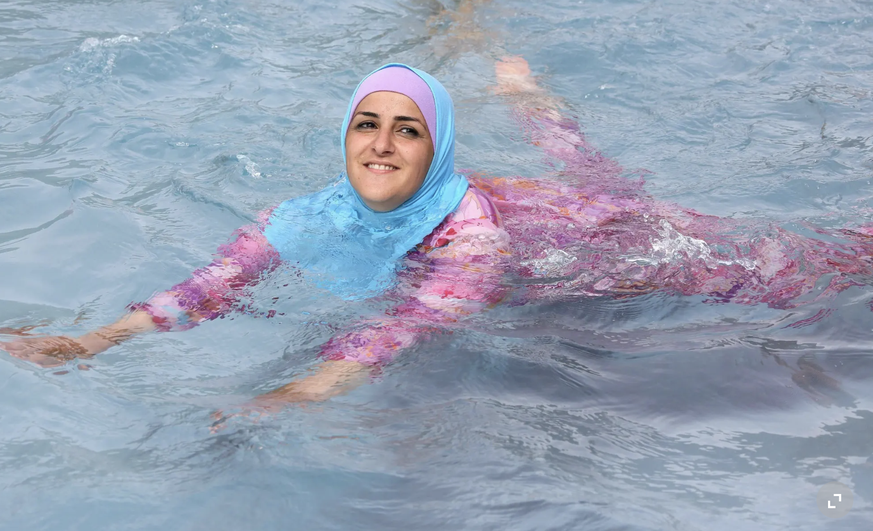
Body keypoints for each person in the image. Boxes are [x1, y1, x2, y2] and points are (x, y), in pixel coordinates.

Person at [3, 58, 872, 407]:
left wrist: (293, 393)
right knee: (580, 168)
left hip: (633, 252)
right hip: (557, 208)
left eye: (407, 128)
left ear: (435, 146)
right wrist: (95, 340)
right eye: (365, 124)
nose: (380, 143)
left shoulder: (471, 243)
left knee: (821, 278)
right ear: (344, 136)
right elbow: (210, 286)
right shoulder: (304, 215)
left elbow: (403, 330)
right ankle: (532, 100)